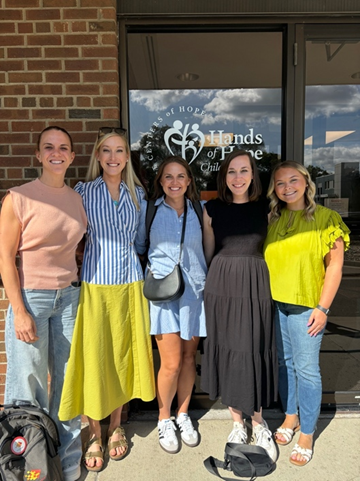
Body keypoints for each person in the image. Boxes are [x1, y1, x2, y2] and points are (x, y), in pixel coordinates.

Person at [58, 127, 155, 472]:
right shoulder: (83, 192)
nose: (113, 157)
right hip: (95, 285)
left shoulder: (138, 195)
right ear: (98, 157)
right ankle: (94, 432)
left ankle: (117, 426)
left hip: (130, 284)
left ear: (127, 157)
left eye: (119, 151)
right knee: (93, 357)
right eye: (106, 151)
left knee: (123, 356)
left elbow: (142, 241)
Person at [0, 126, 87, 481]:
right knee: (29, 384)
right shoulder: (18, 197)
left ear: (71, 156)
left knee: (68, 384)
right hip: (32, 298)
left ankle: (65, 461)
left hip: (69, 297)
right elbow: (5, 257)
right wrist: (18, 308)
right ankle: (27, 467)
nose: (56, 152)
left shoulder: (76, 198)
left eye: (63, 147)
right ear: (38, 155)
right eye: (48, 147)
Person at [264, 160, 350, 466]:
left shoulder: (327, 218)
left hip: (307, 307)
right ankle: (291, 417)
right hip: (277, 304)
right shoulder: (274, 217)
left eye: (293, 180)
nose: (287, 187)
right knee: (285, 364)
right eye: (280, 183)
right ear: (274, 189)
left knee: (307, 369)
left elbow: (335, 267)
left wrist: (323, 308)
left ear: (306, 182)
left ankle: (307, 433)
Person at [201, 149, 278, 462]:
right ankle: (237, 424)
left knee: (254, 346)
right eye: (232, 171)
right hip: (221, 282)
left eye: (244, 170)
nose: (238, 177)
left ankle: (259, 423)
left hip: (256, 282)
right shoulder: (211, 209)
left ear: (253, 175)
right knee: (230, 348)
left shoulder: (269, 208)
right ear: (224, 176)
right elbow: (208, 253)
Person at [139, 156, 207, 454]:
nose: (175, 182)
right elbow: (141, 246)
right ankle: (164, 417)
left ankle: (183, 413)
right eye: (168, 176)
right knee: (171, 362)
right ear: (160, 181)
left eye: (181, 176)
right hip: (164, 295)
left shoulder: (198, 209)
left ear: (189, 181)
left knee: (190, 359)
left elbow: (207, 246)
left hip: (194, 292)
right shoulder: (149, 210)